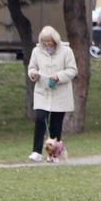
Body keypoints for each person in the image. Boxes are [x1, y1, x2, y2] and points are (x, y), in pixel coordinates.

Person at [26, 25, 77, 162]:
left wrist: (58, 76)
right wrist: (33, 74)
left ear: (55, 40)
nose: (47, 43)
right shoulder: (36, 51)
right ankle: (36, 151)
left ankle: (54, 155)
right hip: (43, 92)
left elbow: (72, 70)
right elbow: (31, 67)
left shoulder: (66, 51)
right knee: (40, 119)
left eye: (50, 41)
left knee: (56, 124)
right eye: (45, 41)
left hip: (60, 93)